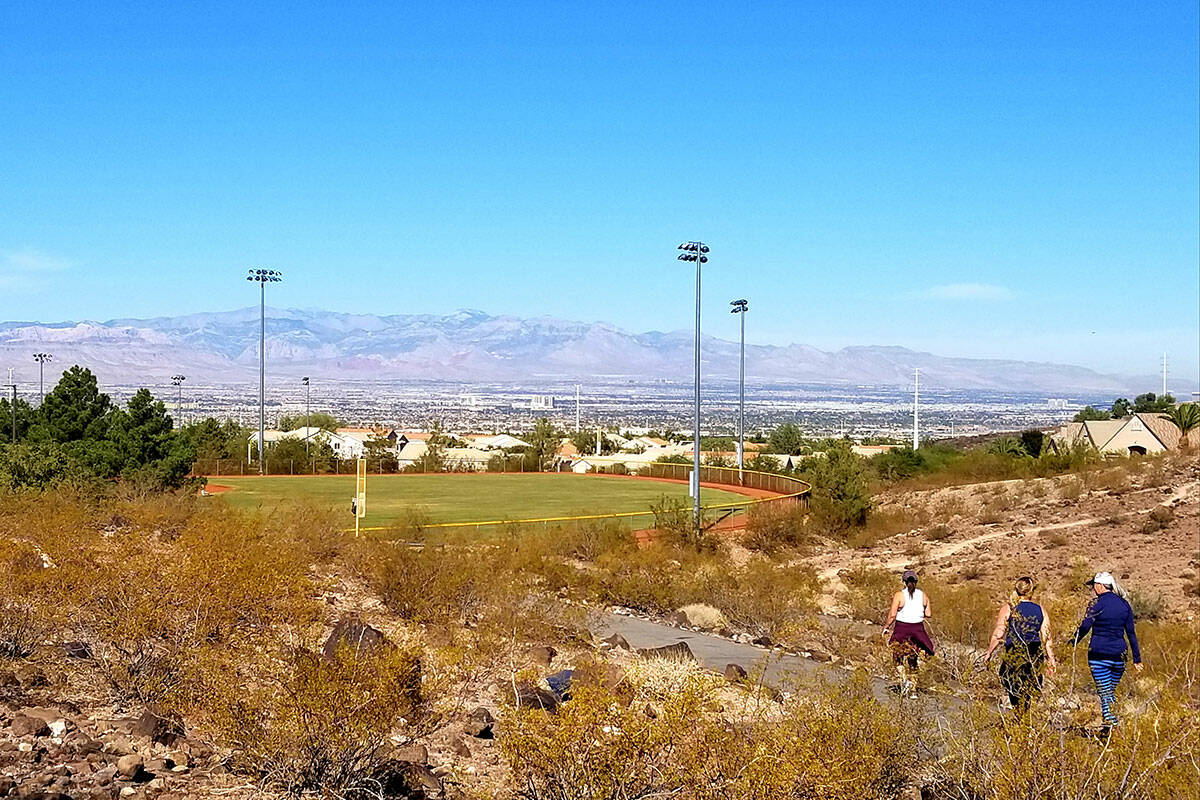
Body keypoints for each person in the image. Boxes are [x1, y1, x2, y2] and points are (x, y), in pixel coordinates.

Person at [1072, 571, 1142, 729]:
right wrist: (1137, 659)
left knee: (1105, 693)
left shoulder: (1096, 604)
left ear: (1099, 586)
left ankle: (1111, 729)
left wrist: (1073, 642)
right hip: (1119, 655)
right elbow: (1131, 633)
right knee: (1109, 692)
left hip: (1099, 654)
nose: (1093, 589)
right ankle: (1112, 729)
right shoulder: (1124, 604)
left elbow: (1085, 626)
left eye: (1094, 586)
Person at [985, 577, 1056, 714]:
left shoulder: (1009, 608)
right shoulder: (1041, 610)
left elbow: (998, 634)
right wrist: (1051, 658)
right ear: (1032, 591)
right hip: (1034, 653)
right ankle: (1023, 721)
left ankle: (1020, 720)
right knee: (1027, 691)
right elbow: (1047, 637)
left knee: (1013, 687)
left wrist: (989, 653)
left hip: (1015, 652)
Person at [882, 569, 934, 697]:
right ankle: (913, 691)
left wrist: (886, 627)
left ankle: (904, 680)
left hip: (902, 628)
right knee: (913, 659)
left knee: (897, 657)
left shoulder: (899, 595)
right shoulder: (923, 595)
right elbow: (928, 614)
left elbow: (893, 614)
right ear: (916, 582)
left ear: (904, 582)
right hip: (917, 629)